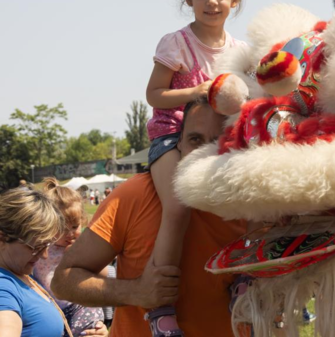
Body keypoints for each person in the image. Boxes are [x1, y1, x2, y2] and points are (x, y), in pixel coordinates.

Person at [51, 99, 247, 337]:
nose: (207, 152)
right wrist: (134, 291)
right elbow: (63, 280)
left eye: (219, 140)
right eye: (195, 140)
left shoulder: (254, 207)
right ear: (179, 144)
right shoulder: (134, 195)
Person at [143, 0, 246, 336]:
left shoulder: (239, 51)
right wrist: (196, 92)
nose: (212, 2)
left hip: (219, 140)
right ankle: (161, 306)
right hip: (171, 135)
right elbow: (154, 95)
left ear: (234, 1)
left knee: (254, 193)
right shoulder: (176, 44)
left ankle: (243, 277)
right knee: (177, 206)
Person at [0, 188, 108, 336]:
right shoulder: (3, 288)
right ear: (2, 239)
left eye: (47, 245)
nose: (44, 255)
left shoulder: (20, 272)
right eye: (36, 247)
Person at [33, 178, 108, 337]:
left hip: (80, 304)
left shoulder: (82, 246)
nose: (70, 234)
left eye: (74, 227)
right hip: (52, 308)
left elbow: (103, 274)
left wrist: (85, 257)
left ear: (82, 220)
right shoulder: (41, 248)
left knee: (90, 329)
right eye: (62, 229)